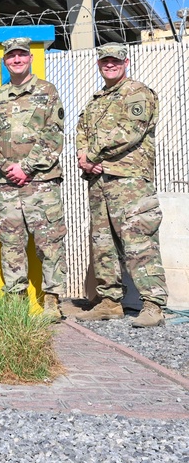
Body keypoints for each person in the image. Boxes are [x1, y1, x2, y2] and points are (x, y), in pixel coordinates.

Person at [75, 43, 168, 327]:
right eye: (105, 61)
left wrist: (91, 155)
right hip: (99, 181)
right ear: (99, 64)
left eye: (115, 60)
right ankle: (109, 302)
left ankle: (153, 305)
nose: (110, 65)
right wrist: (84, 159)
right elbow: (82, 133)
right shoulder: (96, 100)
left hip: (130, 181)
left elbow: (129, 132)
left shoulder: (138, 93)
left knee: (139, 241)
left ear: (125, 62)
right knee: (103, 243)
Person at [0, 37, 67, 321]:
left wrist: (26, 167)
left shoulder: (47, 92)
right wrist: (7, 168)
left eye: (21, 55)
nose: (16, 60)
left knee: (49, 241)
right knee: (11, 243)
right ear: (5, 62)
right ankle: (15, 300)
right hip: (7, 186)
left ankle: (52, 302)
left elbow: (54, 134)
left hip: (41, 182)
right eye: (11, 56)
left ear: (30, 58)